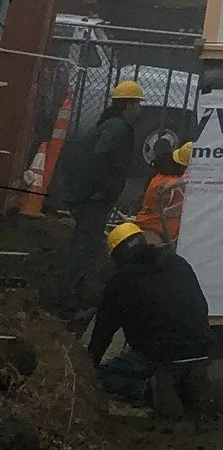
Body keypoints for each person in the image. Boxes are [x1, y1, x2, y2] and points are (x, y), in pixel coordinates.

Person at [87, 221, 214, 422]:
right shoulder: (178, 262)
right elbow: (200, 303)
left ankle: (151, 391)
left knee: (106, 377)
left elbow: (104, 329)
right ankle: (186, 385)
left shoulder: (123, 280)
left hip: (161, 355)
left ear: (116, 254)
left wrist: (88, 367)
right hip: (201, 348)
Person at [50, 79, 142, 320]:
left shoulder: (109, 124)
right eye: (137, 104)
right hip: (94, 199)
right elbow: (98, 157)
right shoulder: (118, 128)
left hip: (90, 196)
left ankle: (70, 297)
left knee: (84, 246)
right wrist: (103, 187)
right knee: (85, 247)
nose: (139, 109)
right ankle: (66, 305)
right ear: (129, 105)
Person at [137, 139, 191, 247]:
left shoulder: (165, 174)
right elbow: (178, 186)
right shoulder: (169, 184)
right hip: (156, 224)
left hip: (160, 222)